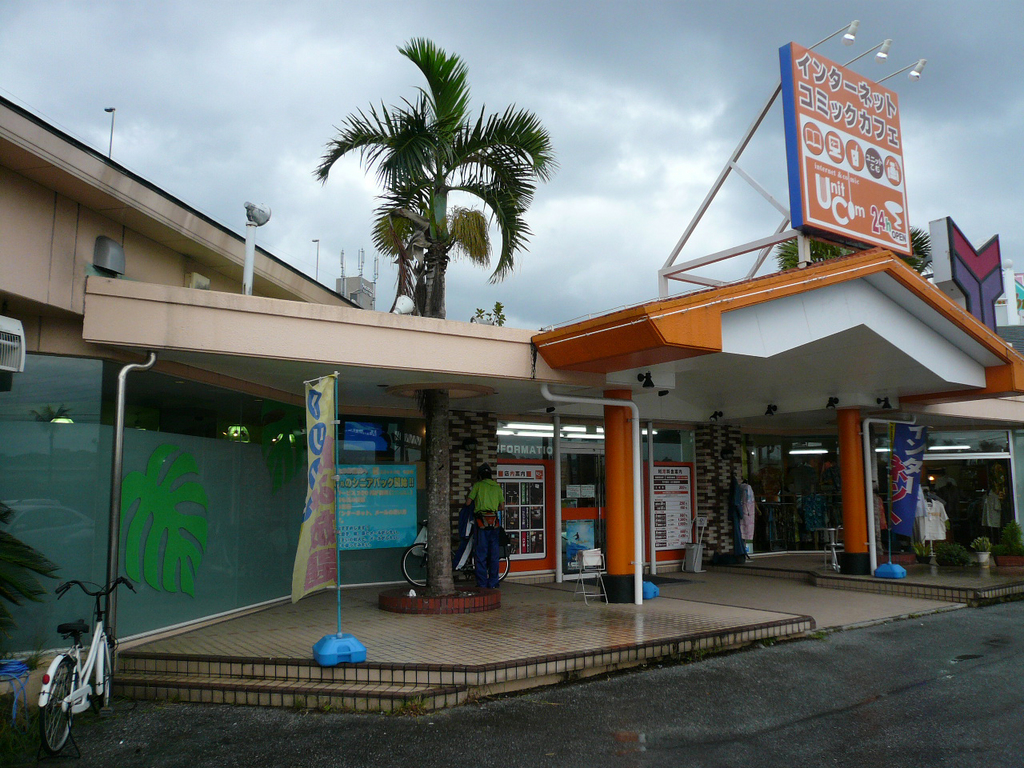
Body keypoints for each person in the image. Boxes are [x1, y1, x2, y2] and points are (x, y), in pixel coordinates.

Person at [467, 463, 505, 588]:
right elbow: (502, 507)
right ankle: (493, 582)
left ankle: (482, 583)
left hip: (481, 522)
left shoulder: (478, 486)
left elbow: (468, 503)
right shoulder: (497, 487)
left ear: (480, 475)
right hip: (494, 523)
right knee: (494, 554)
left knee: (481, 554)